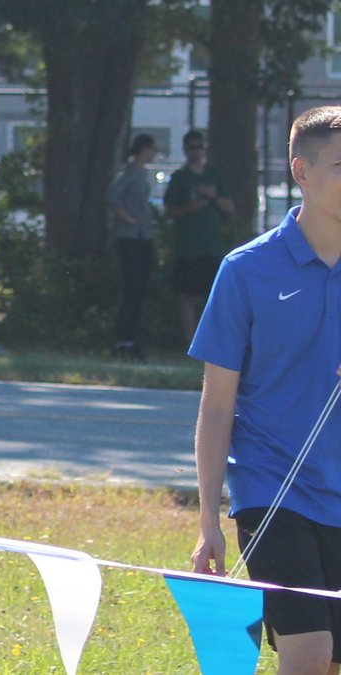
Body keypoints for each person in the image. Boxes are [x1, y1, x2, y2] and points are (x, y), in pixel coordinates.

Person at [190, 106, 341, 673]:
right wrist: (209, 520)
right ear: (301, 172)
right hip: (270, 489)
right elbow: (217, 405)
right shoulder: (246, 270)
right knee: (309, 651)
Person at [163, 130, 235, 344]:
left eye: (199, 146)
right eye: (191, 147)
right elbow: (169, 211)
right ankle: (190, 340)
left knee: (213, 295)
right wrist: (190, 207)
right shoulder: (180, 178)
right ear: (186, 150)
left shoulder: (214, 176)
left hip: (211, 245)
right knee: (186, 296)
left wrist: (213, 196)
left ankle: (212, 339)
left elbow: (230, 208)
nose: (196, 151)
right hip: (188, 246)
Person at [105, 134, 158, 360]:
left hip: (144, 236)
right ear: (143, 149)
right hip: (130, 238)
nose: (154, 153)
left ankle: (132, 338)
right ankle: (122, 339)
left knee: (140, 289)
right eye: (152, 149)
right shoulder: (128, 173)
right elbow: (112, 196)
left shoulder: (143, 174)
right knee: (131, 287)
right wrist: (127, 218)